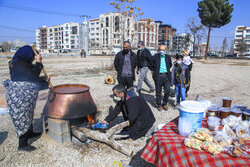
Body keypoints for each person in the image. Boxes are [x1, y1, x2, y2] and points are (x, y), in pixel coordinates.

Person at [3, 45, 50, 152]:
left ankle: (30, 133)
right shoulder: (18, 63)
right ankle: (22, 144)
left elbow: (30, 78)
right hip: (19, 97)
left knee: (28, 115)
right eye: (33, 56)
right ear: (27, 54)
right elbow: (32, 76)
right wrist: (38, 63)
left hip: (25, 96)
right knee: (22, 118)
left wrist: (42, 79)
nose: (33, 58)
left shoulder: (21, 63)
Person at [149, 44, 172, 111]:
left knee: (167, 91)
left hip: (166, 76)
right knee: (158, 91)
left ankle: (164, 103)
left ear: (165, 50)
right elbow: (150, 65)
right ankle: (159, 104)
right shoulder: (155, 57)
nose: (162, 51)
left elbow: (170, 65)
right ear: (158, 50)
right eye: (160, 50)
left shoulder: (168, 57)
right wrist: (154, 71)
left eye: (163, 50)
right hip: (158, 76)